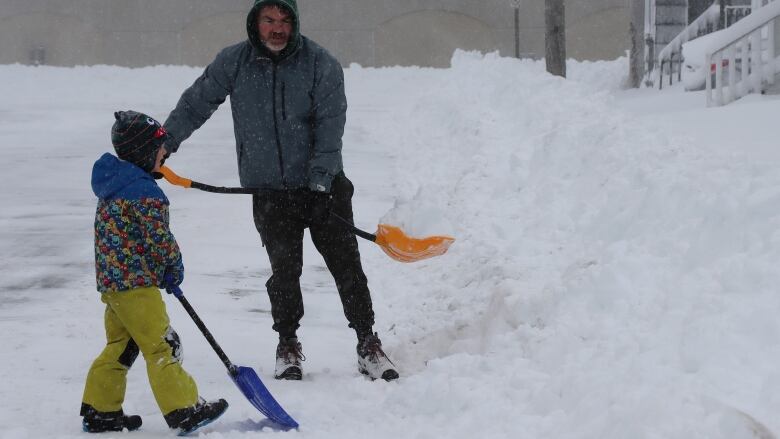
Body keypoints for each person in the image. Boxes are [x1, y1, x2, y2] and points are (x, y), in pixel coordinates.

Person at [163, 0, 399, 381]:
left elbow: (329, 128)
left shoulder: (321, 64)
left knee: (346, 267)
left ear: (296, 23)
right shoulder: (235, 62)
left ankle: (366, 340)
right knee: (284, 272)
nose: (277, 28)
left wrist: (320, 184)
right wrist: (165, 141)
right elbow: (197, 102)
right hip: (270, 190)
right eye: (269, 20)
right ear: (254, 22)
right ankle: (288, 343)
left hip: (324, 188)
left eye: (285, 21)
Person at [81, 111, 228, 434]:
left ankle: (100, 409)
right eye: (161, 150)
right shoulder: (144, 193)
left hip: (114, 284)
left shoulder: (116, 183)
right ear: (144, 152)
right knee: (161, 345)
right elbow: (158, 240)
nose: (165, 155)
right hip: (137, 285)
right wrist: (172, 267)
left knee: (122, 344)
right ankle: (184, 409)